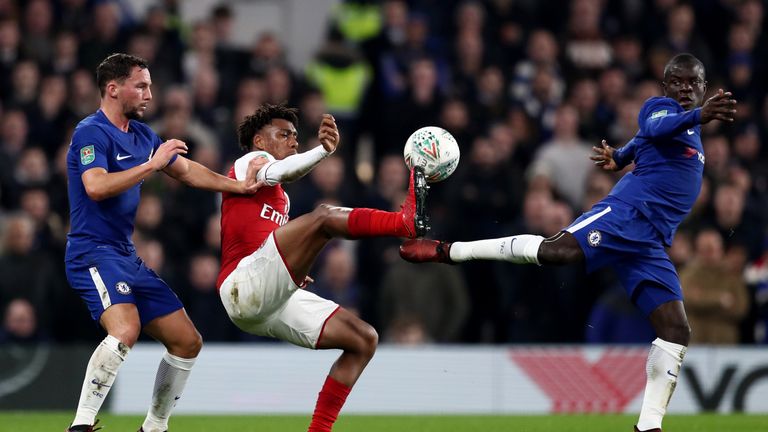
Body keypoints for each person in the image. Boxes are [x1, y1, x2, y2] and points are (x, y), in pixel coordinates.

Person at [400, 53, 737, 432]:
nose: (685, 89)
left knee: (676, 330)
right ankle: (450, 250)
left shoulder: (690, 127)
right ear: (665, 87)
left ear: (705, 87)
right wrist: (698, 115)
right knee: (555, 252)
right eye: (677, 81)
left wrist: (621, 155)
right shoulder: (660, 109)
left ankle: (648, 427)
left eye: (693, 83)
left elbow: (646, 141)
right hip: (627, 213)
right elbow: (656, 128)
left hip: (650, 242)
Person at [64, 53, 260, 432]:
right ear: (113, 88)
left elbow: (187, 172)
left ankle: (154, 427)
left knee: (187, 341)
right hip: (91, 252)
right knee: (125, 331)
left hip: (125, 254)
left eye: (150, 85)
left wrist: (238, 186)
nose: (150, 95)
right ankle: (81, 424)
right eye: (141, 86)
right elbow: (96, 186)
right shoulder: (91, 131)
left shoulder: (141, 135)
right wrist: (153, 166)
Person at [217, 103, 429, 432]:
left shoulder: (281, 200)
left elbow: (263, 241)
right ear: (259, 141)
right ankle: (402, 222)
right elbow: (279, 172)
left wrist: (291, 272)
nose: (293, 141)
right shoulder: (250, 163)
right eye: (284, 134)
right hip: (241, 284)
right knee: (324, 216)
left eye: (296, 137)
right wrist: (323, 152)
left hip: (267, 301)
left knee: (364, 339)